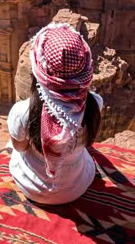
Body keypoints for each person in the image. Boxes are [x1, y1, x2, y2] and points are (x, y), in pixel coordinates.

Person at [7, 22, 103, 205]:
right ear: (85, 70)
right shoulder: (95, 104)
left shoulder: (22, 112)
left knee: (14, 143)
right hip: (76, 186)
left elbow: (20, 148)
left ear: (38, 72)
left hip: (31, 186)